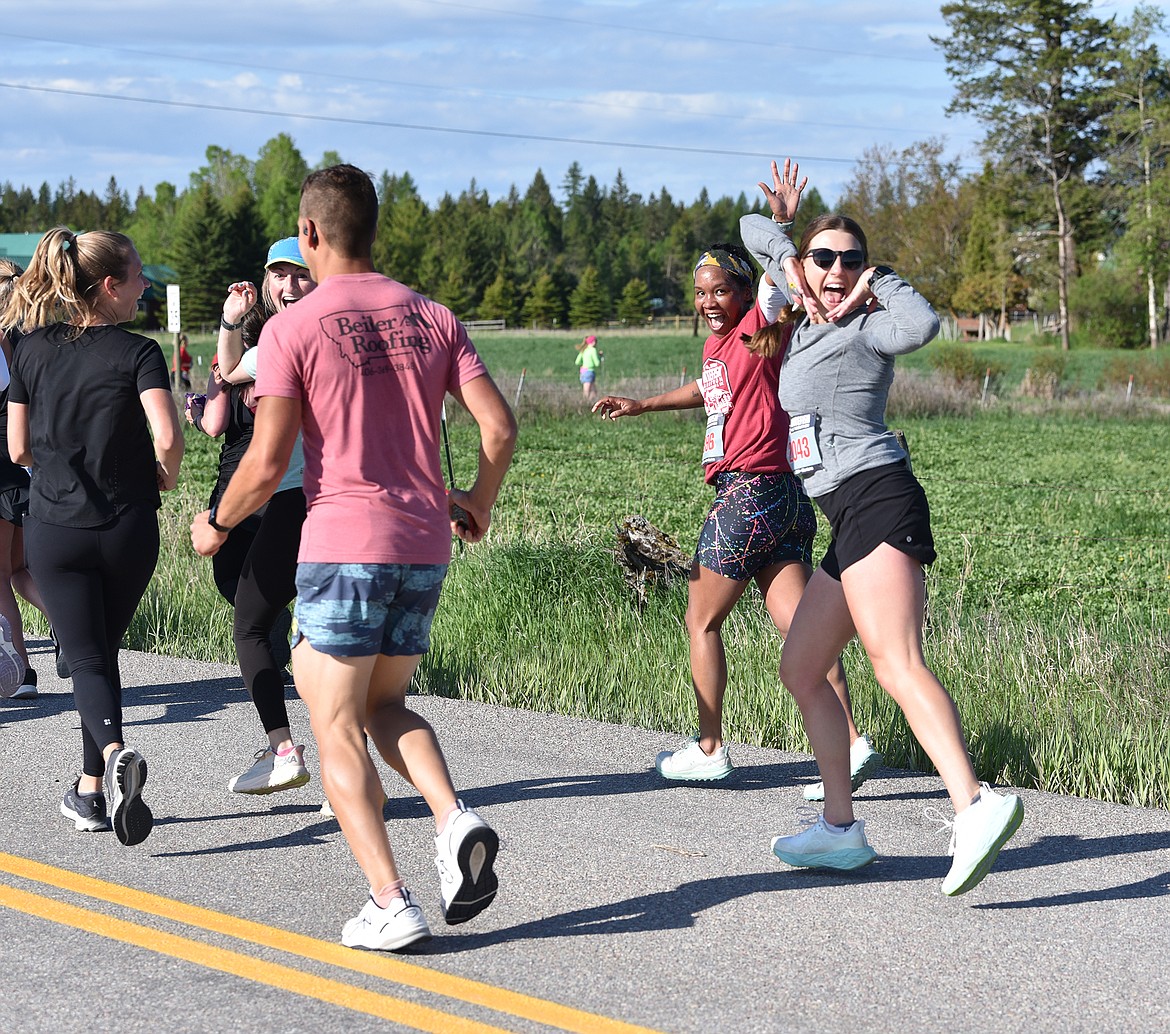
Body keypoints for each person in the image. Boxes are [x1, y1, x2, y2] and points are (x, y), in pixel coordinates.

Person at [191, 164, 517, 951]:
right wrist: (475, 499)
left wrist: (217, 523)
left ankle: (390, 900)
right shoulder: (434, 317)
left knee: (333, 722)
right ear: (374, 230)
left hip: (342, 544)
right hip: (423, 543)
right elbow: (499, 429)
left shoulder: (290, 330)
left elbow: (267, 463)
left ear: (308, 234)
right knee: (382, 706)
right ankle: (455, 818)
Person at [742, 160, 1023, 896]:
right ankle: (840, 831)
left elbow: (923, 323)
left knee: (894, 663)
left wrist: (880, 279)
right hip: (846, 515)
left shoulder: (868, 328)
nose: (837, 269)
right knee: (802, 668)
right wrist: (786, 236)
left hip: (878, 498)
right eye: (823, 258)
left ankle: (975, 804)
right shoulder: (803, 321)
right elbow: (750, 232)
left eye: (850, 259)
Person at [591, 159, 876, 791]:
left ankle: (709, 746)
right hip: (783, 499)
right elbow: (708, 391)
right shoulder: (719, 346)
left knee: (701, 620)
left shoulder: (761, 323)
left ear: (745, 293)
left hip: (749, 494)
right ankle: (852, 742)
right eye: (700, 293)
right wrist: (643, 404)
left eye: (720, 290)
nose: (708, 303)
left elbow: (780, 276)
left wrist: (783, 222)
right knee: (806, 631)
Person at [3, 227, 183, 846]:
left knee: (84, 657)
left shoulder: (29, 349)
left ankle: (110, 757)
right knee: (99, 652)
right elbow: (166, 434)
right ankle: (89, 788)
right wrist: (165, 474)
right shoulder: (140, 353)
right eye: (138, 277)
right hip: (129, 527)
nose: (146, 286)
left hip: (56, 526)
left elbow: (18, 446)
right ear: (110, 287)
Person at [186, 237, 315, 796]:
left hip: (299, 497)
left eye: (299, 274)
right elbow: (232, 369)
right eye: (278, 275)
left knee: (254, 624)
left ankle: (285, 748)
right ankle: (349, 773)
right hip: (350, 502)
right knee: (324, 638)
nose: (287, 287)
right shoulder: (338, 331)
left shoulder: (291, 338)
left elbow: (230, 376)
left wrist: (216, 524)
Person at [0, 259, 50, 700]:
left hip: (0, 467)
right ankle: (67, 627)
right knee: (19, 568)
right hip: (26, 467)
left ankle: (21, 671)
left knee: (1, 574)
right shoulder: (26, 339)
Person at [576, 335, 601, 401]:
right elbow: (597, 363)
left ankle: (589, 403)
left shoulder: (584, 350)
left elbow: (577, 362)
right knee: (590, 391)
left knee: (591, 390)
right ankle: (587, 404)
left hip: (583, 372)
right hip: (589, 371)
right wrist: (600, 357)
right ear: (593, 342)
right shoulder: (593, 350)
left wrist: (584, 364)